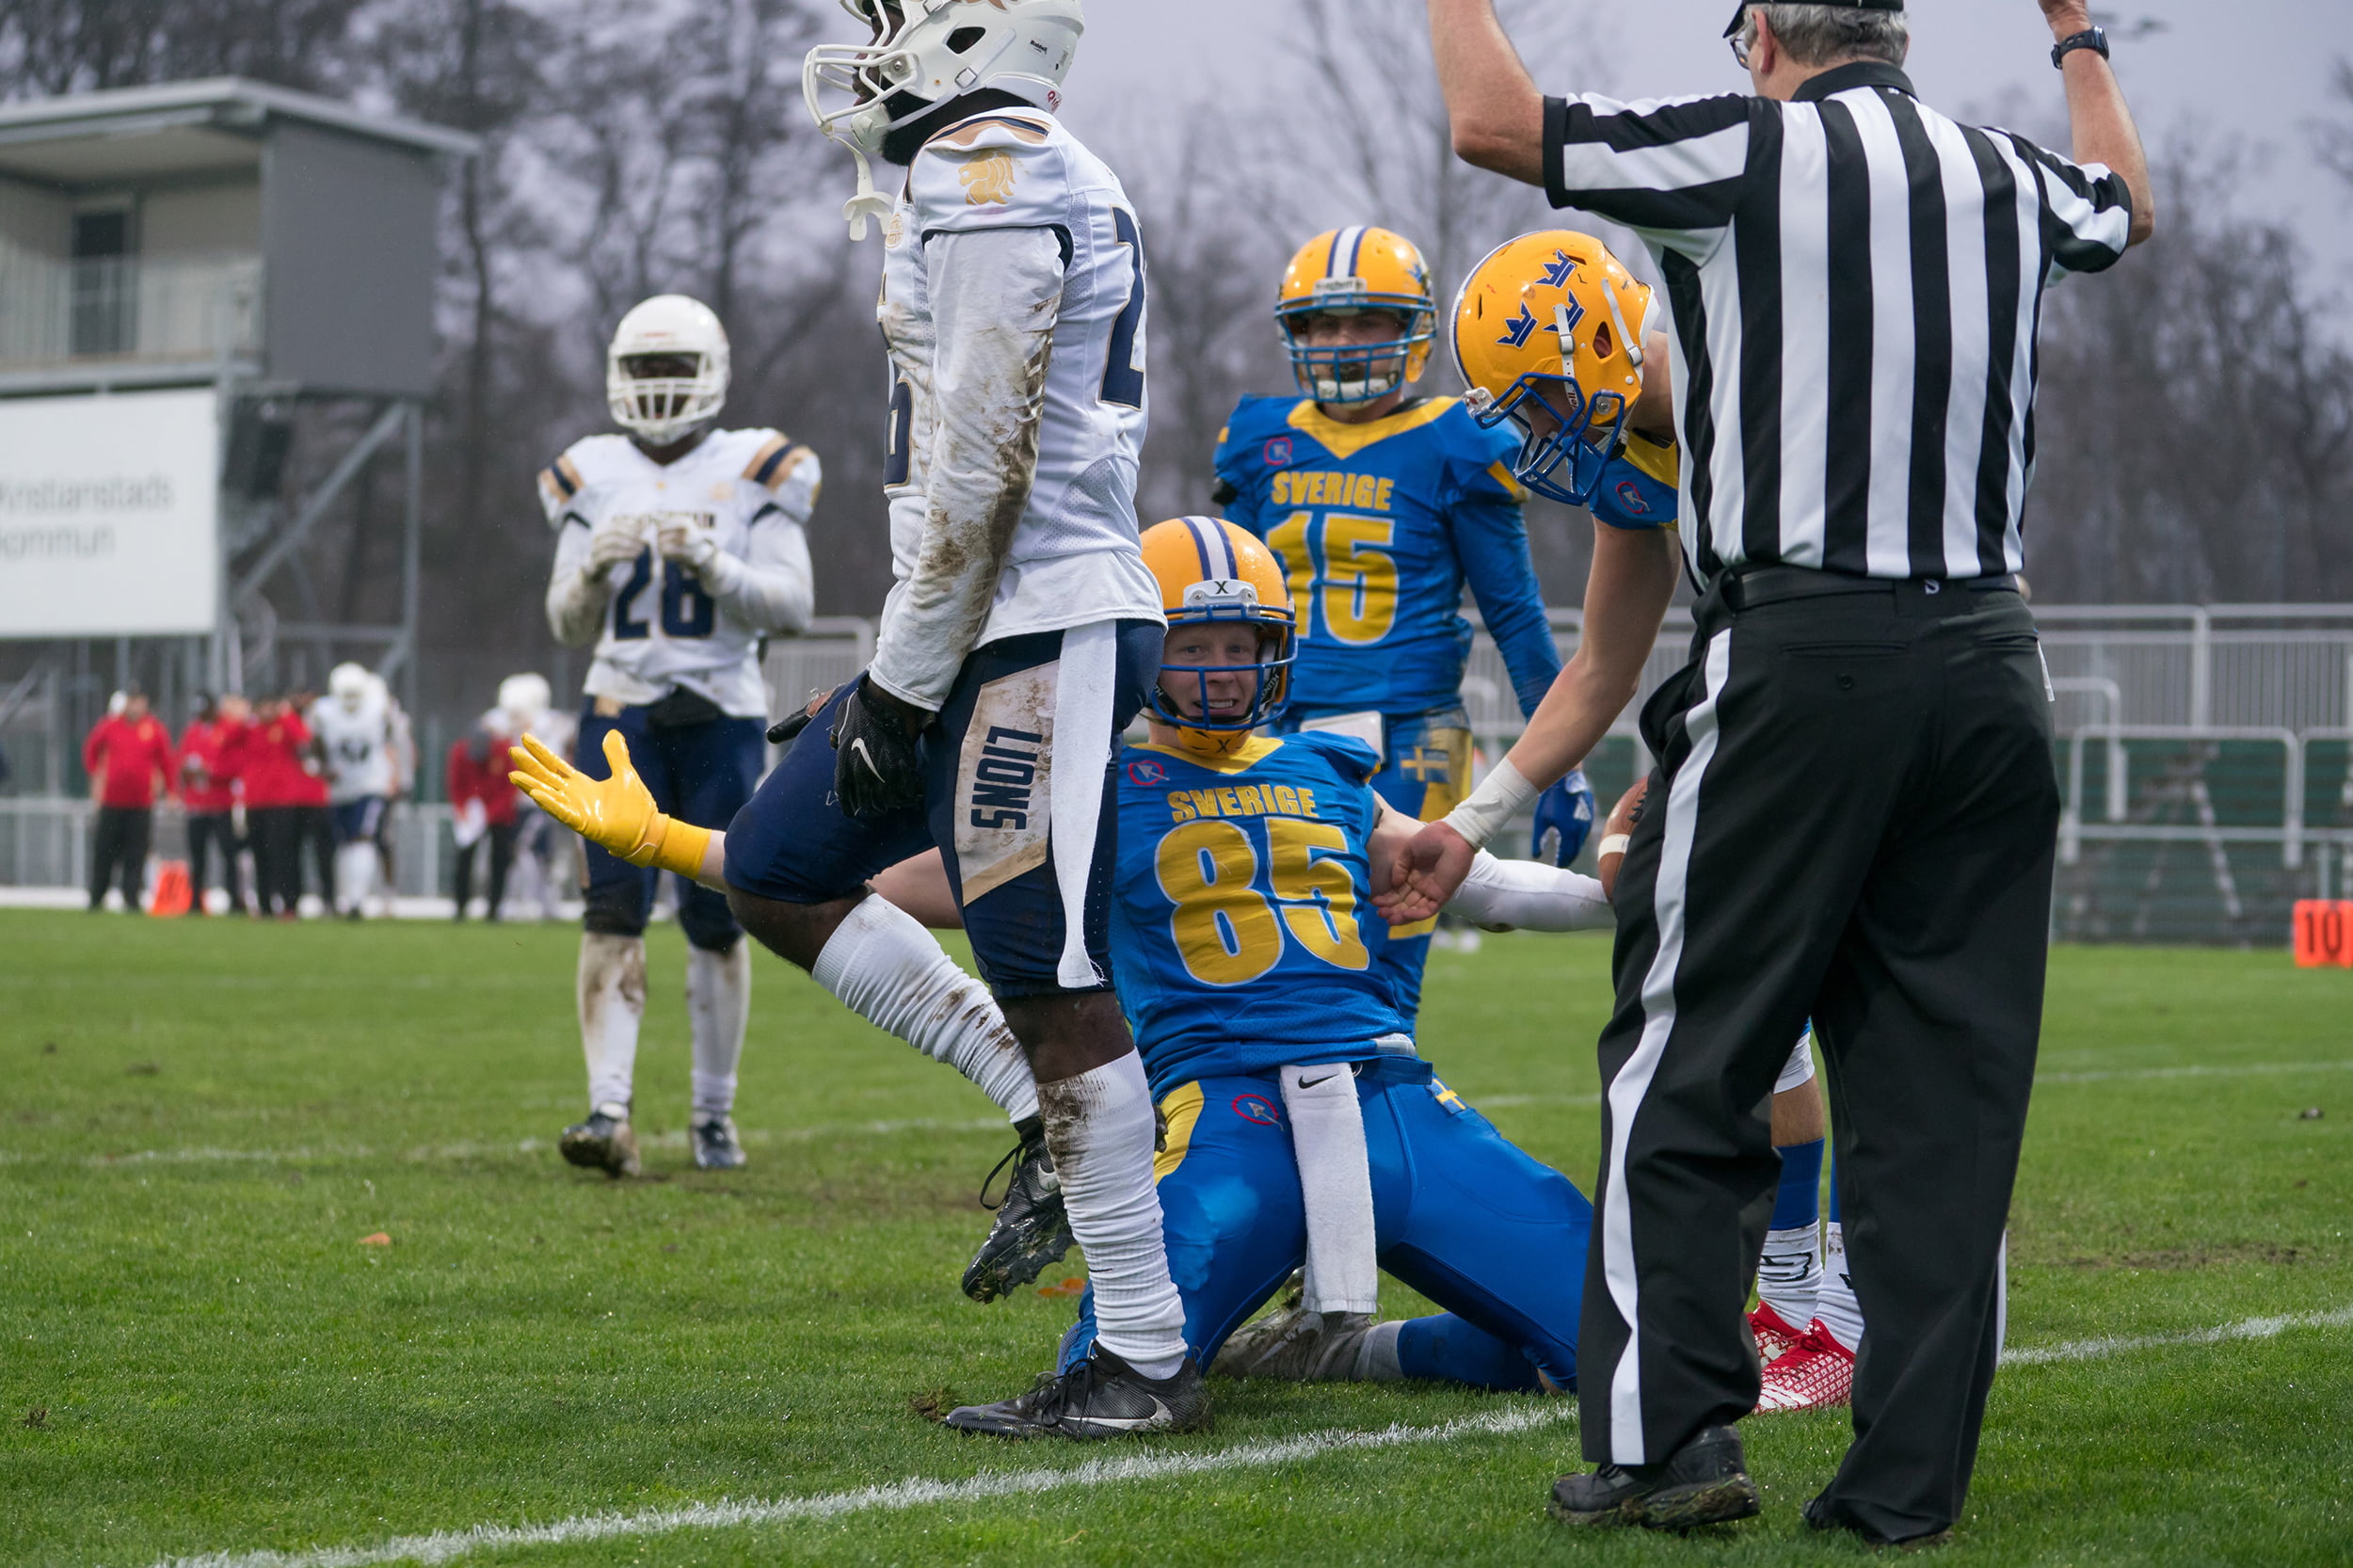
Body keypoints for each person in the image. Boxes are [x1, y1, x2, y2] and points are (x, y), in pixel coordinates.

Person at [1402, 0, 2152, 1541]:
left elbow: (1492, 121)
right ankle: (1906, 1488)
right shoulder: (2003, 172)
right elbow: (2125, 205)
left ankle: (1665, 1437)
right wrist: (2077, 31)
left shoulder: (1745, 152)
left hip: (1805, 645)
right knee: (1941, 1101)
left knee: (1683, 1059)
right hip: (1993, 665)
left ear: (1757, 41)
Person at [542, 0, 1196, 1434]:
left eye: (900, 18)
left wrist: (896, 686)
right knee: (778, 863)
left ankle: (1143, 1355)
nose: (874, 42)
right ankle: (1032, 1116)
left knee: (1053, 969)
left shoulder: (993, 166)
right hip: (973, 619)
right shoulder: (978, 164)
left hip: (1035, 619)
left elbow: (985, 464)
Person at [874, 518, 1625, 1411]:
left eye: (1243, 644)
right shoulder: (1088, 786)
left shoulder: (1328, 767)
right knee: (1125, 1380)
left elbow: (1488, 886)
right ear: (1144, 649)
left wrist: (1634, 894)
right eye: (1195, 646)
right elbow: (893, 885)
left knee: (1624, 1341)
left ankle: (1356, 1352)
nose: (1224, 669)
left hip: (1391, 1095)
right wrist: (705, 849)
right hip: (1228, 1111)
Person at [1210, 226, 1590, 1025]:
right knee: (1258, 961)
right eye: (1323, 325)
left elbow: (1515, 619)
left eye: (1366, 321)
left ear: (1410, 329)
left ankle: (1376, 1131)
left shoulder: (1458, 439)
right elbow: (1225, 600)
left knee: (1376, 974)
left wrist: (1565, 765)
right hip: (1278, 732)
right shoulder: (1261, 440)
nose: (1342, 343)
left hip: (1409, 735)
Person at [539, 292, 817, 1175]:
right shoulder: (590, 469)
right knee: (611, 907)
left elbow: (794, 605)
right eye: (646, 367)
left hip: (722, 712)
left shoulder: (755, 466)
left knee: (719, 914)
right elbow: (565, 623)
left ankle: (712, 1117)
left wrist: (714, 564)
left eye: (674, 366)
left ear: (712, 374)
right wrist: (591, 568)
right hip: (620, 709)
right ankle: (607, 1111)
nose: (659, 385)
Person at [309, 664, 400, 919]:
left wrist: (396, 776)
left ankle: (357, 900)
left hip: (370, 784)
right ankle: (350, 898)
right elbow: (315, 747)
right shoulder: (323, 712)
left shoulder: (379, 708)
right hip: (339, 788)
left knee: (362, 837)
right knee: (346, 843)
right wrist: (321, 767)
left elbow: (393, 740)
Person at [82, 689, 175, 912]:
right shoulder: (110, 725)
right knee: (104, 851)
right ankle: (97, 897)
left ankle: (131, 898)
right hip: (112, 803)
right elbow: (91, 751)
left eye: (139, 701)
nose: (135, 706)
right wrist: (97, 775)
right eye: (132, 701)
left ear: (145, 703)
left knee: (136, 853)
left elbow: (166, 761)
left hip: (141, 803)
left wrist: (171, 791)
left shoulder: (154, 728)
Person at [178, 694, 252, 916]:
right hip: (196, 804)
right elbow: (181, 760)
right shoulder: (192, 731)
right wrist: (187, 772)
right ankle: (195, 901)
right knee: (197, 856)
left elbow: (236, 762)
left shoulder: (228, 729)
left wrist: (211, 772)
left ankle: (235, 899)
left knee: (228, 854)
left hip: (220, 803)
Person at [448, 710, 521, 921]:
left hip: (499, 814)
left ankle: (494, 908)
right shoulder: (460, 752)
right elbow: (456, 785)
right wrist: (462, 809)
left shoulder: (505, 752)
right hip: (472, 813)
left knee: (499, 860)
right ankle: (460, 905)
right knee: (464, 858)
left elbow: (510, 789)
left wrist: (490, 815)